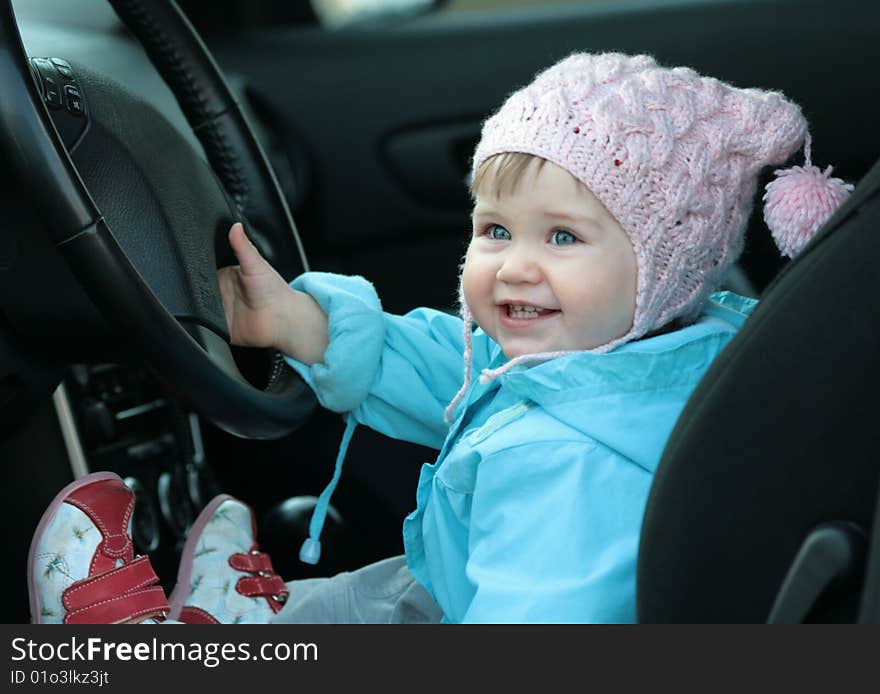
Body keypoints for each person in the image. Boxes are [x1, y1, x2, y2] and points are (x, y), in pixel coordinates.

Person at [27, 52, 852, 624]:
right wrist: (300, 326)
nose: (514, 268)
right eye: (495, 230)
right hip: (446, 592)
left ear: (667, 265)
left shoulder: (574, 473)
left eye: (561, 238)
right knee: (362, 598)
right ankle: (235, 625)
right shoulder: (624, 358)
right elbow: (447, 363)